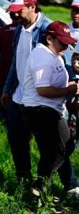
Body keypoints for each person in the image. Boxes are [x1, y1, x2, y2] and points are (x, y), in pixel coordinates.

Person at [1, 0, 79, 197]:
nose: (15, 15)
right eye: (13, 10)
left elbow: (67, 64)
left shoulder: (49, 30)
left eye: (19, 10)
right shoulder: (19, 28)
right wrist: (8, 88)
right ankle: (24, 182)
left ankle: (69, 185)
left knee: (55, 145)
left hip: (43, 100)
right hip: (21, 96)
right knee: (18, 140)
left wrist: (71, 92)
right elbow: (16, 62)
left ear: (32, 7)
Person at [22, 21, 79, 197]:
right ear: (49, 39)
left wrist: (69, 87)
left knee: (51, 151)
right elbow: (43, 89)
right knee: (65, 147)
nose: (66, 46)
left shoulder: (53, 55)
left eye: (68, 43)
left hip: (47, 109)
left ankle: (61, 188)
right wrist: (67, 90)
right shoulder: (42, 57)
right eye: (62, 42)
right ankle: (39, 185)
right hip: (41, 110)